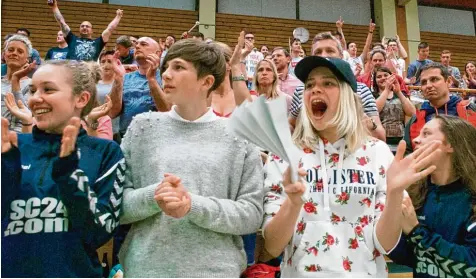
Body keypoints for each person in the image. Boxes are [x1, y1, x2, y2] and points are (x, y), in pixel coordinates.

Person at [262, 55, 441, 277]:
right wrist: (293, 202)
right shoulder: (283, 155)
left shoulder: (377, 152)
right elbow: (272, 246)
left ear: (348, 96)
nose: (315, 90)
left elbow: (384, 245)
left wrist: (394, 195)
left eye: (327, 83)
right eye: (309, 85)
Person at [118, 39, 264, 277]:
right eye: (166, 68)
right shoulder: (142, 127)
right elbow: (117, 206)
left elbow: (251, 215)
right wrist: (155, 196)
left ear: (206, 82)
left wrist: (192, 206)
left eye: (178, 67)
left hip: (215, 271)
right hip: (146, 269)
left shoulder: (240, 137)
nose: (166, 74)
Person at [1, 60, 124, 277]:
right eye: (32, 90)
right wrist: (6, 173)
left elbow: (100, 233)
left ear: (81, 98)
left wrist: (69, 175)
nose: (34, 98)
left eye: (48, 89)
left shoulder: (105, 152)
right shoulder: (12, 148)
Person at [389, 115, 476, 278]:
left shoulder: (471, 198)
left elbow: (472, 265)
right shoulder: (415, 192)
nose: (415, 139)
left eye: (426, 134)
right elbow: (405, 257)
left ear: (450, 144)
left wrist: (416, 232)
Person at [288, 32, 386, 141]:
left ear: (341, 56)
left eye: (330, 51)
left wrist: (365, 121)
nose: (324, 55)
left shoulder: (361, 90)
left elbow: (381, 137)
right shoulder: (301, 91)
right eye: (318, 52)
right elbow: (291, 125)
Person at [404, 63, 476, 153]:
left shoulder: (470, 110)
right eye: (424, 82)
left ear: (449, 81)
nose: (428, 85)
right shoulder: (415, 120)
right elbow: (407, 153)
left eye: (434, 79)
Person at [108, 37, 170, 139]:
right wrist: (118, 78)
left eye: (143, 44)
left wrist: (151, 80)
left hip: (156, 139)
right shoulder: (125, 77)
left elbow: (167, 112)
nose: (137, 46)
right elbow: (112, 112)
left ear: (158, 53)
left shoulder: (166, 77)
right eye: (136, 44)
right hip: (126, 138)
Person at [48, 0, 123, 61]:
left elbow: (110, 29)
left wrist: (118, 16)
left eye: (87, 26)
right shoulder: (72, 39)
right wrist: (54, 7)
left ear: (92, 31)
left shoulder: (98, 42)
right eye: (82, 26)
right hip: (72, 75)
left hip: (89, 75)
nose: (84, 27)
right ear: (79, 29)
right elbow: (62, 23)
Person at [372, 67, 416, 152]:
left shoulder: (399, 95)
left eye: (386, 75)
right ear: (375, 81)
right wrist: (386, 90)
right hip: (380, 143)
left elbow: (412, 112)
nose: (383, 78)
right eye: (379, 77)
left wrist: (399, 92)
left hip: (401, 142)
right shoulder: (371, 96)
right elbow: (374, 111)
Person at [1, 35, 35, 132]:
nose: (14, 53)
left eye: (20, 51)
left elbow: (26, 114)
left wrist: (15, 80)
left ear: (27, 59)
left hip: (15, 137)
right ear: (4, 55)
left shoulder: (32, 85)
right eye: (10, 50)